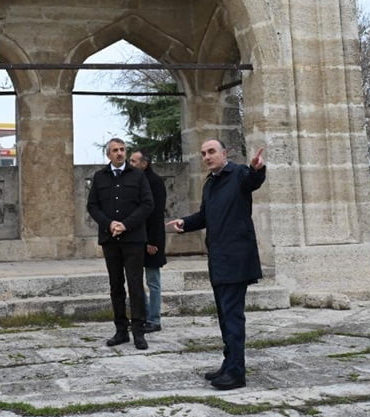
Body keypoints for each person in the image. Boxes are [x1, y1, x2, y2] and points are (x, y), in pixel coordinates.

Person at [168, 138, 266, 390]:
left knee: (233, 317)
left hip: (236, 258)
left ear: (225, 153)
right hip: (218, 259)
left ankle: (236, 373)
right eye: (203, 154)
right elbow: (205, 216)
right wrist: (185, 223)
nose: (207, 157)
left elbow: (253, 181)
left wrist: (257, 169)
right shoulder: (210, 183)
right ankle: (229, 364)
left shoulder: (240, 173)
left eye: (211, 152)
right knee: (224, 316)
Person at [86, 137, 154, 350]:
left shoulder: (138, 175)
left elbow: (147, 204)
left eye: (122, 149)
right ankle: (121, 330)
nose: (119, 153)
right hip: (110, 239)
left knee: (135, 285)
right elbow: (92, 206)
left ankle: (139, 331)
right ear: (108, 154)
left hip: (133, 239)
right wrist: (109, 224)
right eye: (115, 150)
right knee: (116, 285)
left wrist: (125, 224)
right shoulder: (100, 177)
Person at [127, 149, 166, 333]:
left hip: (151, 239)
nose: (131, 164)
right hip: (136, 239)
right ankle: (142, 316)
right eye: (130, 161)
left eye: (134, 161)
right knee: (136, 280)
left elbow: (156, 214)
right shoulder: (134, 181)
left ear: (144, 163)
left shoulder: (155, 182)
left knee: (152, 281)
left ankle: (154, 319)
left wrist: (153, 242)